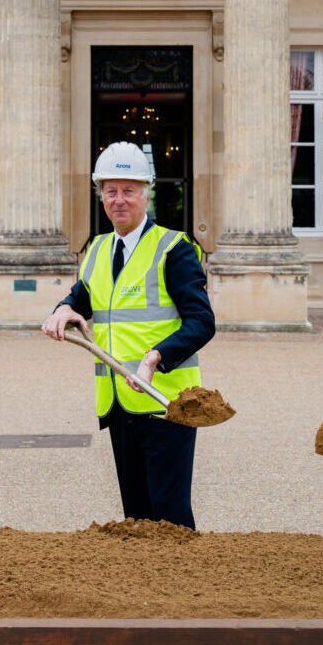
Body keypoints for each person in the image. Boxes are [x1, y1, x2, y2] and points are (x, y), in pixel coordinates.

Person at [42, 141, 215, 529]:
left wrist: (155, 358)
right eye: (110, 191)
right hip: (118, 404)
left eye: (128, 190)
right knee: (135, 517)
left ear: (146, 193)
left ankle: (182, 572)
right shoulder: (98, 249)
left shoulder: (174, 248)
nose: (118, 200)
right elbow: (82, 296)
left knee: (170, 516)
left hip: (167, 401)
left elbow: (202, 322)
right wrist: (63, 308)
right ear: (101, 195)